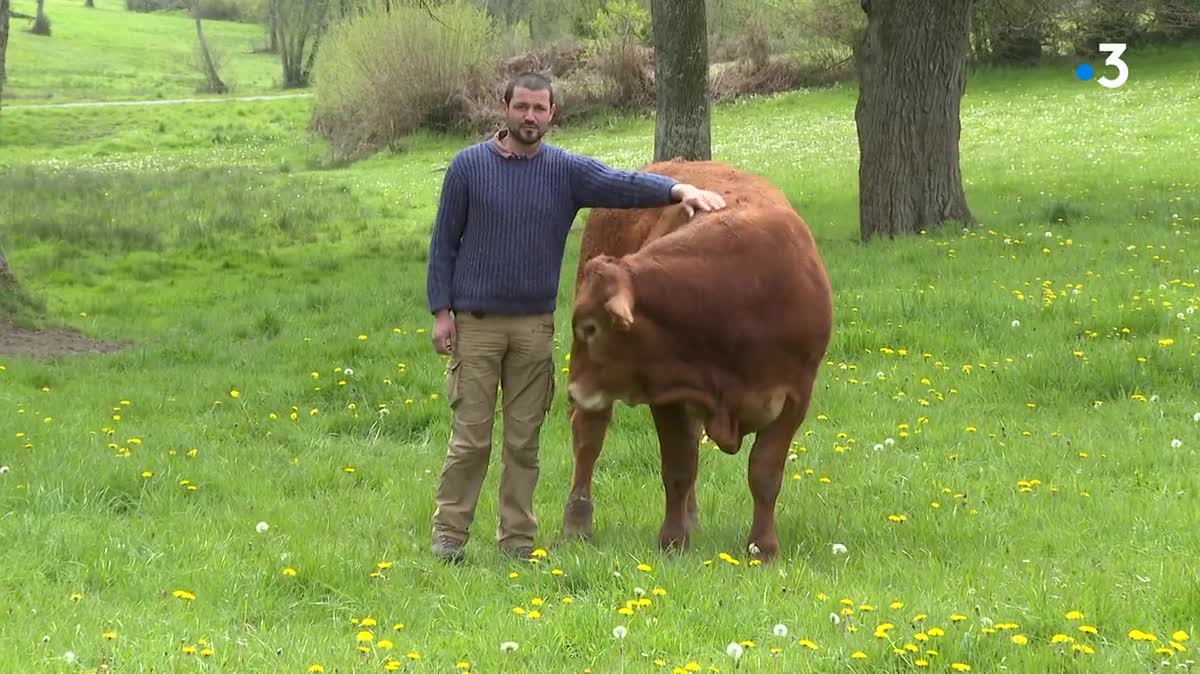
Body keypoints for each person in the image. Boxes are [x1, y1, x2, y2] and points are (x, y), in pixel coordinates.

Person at [425, 71, 726, 563]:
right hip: (476, 325)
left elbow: (620, 184)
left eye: (539, 109)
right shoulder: (468, 168)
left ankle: (517, 541)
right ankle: (449, 537)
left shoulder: (563, 171)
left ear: (551, 114)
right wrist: (442, 313)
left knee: (524, 442)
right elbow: (444, 245)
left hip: (534, 328)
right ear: (505, 108)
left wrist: (678, 190)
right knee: (471, 439)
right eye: (521, 106)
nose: (530, 116)